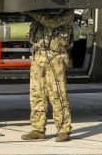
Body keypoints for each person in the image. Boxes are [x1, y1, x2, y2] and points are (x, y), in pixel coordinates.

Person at [21, 9, 74, 143]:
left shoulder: (67, 11)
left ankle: (64, 130)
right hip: (38, 56)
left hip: (55, 57)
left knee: (58, 95)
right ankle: (38, 129)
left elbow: (52, 22)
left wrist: (32, 12)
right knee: (37, 94)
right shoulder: (42, 10)